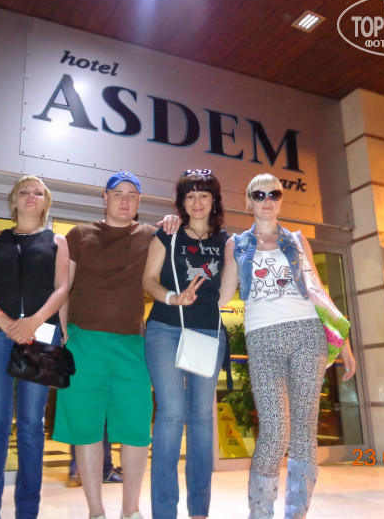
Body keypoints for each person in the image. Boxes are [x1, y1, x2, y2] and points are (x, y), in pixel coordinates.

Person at [220, 173, 356, 519]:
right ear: (248, 201)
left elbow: (318, 290)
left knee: (305, 429)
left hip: (307, 333)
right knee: (275, 430)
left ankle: (297, 513)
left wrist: (343, 342)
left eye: (274, 193)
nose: (267, 199)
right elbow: (223, 295)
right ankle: (260, 513)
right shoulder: (236, 244)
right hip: (262, 337)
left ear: (281, 199)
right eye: (259, 194)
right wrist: (186, 307)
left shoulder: (297, 240)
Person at [54, 171, 177, 519]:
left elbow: (176, 255)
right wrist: (64, 334)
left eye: (132, 195)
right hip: (83, 342)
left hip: (132, 345)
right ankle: (96, 511)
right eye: (118, 193)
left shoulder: (151, 235)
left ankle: (130, 510)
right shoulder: (80, 234)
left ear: (139, 202)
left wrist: (175, 221)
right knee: (86, 428)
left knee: (136, 429)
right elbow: (63, 287)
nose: (125, 200)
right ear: (105, 197)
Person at [0, 175, 69, 519]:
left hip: (41, 335)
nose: (31, 196)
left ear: (46, 202)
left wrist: (34, 322)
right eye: (24, 192)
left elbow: (62, 289)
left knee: (31, 424)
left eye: (38, 192)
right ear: (13, 201)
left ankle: (28, 511)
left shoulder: (57, 241)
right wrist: (3, 320)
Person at [142, 169, 230, 519]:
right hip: (165, 328)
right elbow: (148, 279)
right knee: (171, 412)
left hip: (207, 332)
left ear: (214, 201)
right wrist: (172, 297)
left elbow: (229, 286)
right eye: (190, 196)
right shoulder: (167, 234)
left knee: (201, 416)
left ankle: (199, 511)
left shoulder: (226, 241)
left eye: (203, 195)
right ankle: (164, 511)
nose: (197, 202)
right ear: (181, 202)